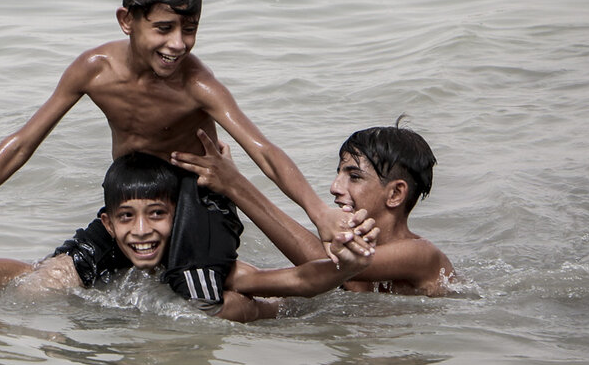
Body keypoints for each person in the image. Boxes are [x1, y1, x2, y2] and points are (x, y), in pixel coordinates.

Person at [0, 0, 362, 315]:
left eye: (190, 29)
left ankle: (264, 310)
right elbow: (23, 143)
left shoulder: (197, 84)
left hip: (197, 196)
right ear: (127, 21)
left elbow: (263, 150)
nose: (178, 43)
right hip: (136, 195)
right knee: (45, 283)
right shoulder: (94, 70)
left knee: (199, 299)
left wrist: (320, 212)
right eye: (163, 28)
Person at [0, 152, 377, 322]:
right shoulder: (112, 242)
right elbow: (25, 275)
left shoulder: (195, 260)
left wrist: (349, 270)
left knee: (219, 307)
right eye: (127, 218)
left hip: (254, 300)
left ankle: (255, 315)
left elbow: (293, 282)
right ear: (108, 225)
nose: (143, 231)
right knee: (38, 288)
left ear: (176, 219)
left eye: (156, 216)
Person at [172, 122, 454, 296]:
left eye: (354, 177)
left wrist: (235, 186)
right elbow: (324, 267)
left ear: (395, 194)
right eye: (339, 173)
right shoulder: (348, 256)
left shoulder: (421, 255)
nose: (334, 187)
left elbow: (332, 268)